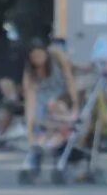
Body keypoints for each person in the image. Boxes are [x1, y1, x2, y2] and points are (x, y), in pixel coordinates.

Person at [20, 37, 79, 178]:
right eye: (34, 57)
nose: (37, 59)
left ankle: (53, 147)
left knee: (60, 115)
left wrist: (75, 104)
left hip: (61, 95)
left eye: (40, 55)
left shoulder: (56, 56)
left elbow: (69, 78)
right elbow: (30, 101)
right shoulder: (29, 73)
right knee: (38, 119)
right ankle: (35, 153)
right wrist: (29, 128)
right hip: (43, 98)